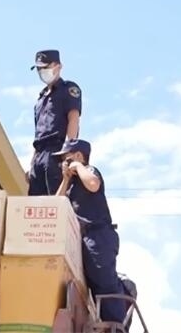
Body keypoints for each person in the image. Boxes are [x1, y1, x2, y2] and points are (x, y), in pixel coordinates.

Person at [53, 138, 126, 324]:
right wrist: (65, 179)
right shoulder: (71, 183)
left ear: (78, 156)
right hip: (83, 239)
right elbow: (55, 206)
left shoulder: (89, 171)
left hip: (98, 235)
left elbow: (93, 184)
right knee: (93, 286)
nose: (63, 163)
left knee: (104, 283)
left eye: (66, 158)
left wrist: (78, 166)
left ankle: (117, 322)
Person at [28, 49, 82, 196]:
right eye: (39, 69)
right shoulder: (41, 98)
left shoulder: (68, 89)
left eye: (45, 67)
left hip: (57, 150)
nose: (42, 71)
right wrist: (32, 162)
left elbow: (73, 119)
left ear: (58, 66)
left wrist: (68, 152)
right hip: (39, 153)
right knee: (35, 202)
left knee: (57, 200)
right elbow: (38, 133)